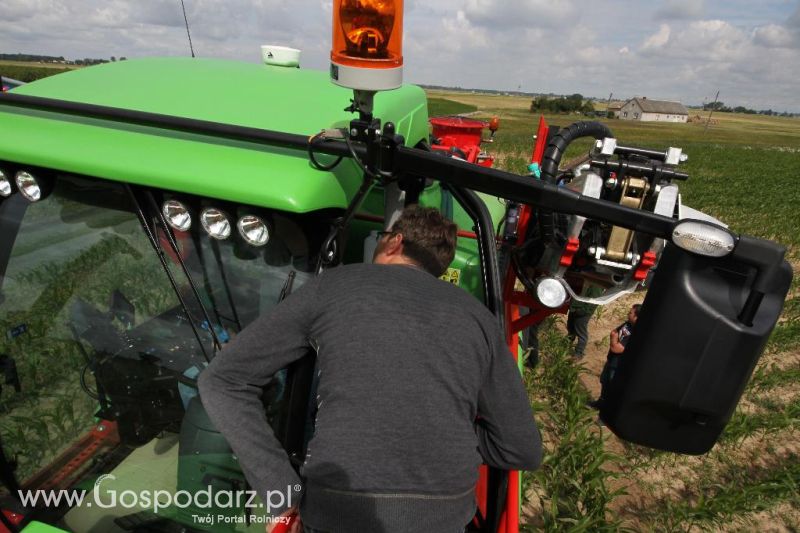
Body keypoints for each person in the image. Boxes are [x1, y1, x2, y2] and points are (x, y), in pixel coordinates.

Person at [198, 206, 542, 533]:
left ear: (394, 241)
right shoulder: (478, 318)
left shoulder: (335, 285)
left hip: (338, 513)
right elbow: (521, 449)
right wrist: (451, 431)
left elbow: (223, 380)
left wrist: (281, 495)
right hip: (444, 519)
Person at [590, 303, 640, 409]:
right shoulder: (628, 324)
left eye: (631, 312)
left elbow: (616, 348)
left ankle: (606, 415)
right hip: (612, 360)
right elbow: (614, 332)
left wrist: (614, 338)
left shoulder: (637, 332)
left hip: (619, 366)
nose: (628, 313)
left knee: (613, 390)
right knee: (604, 381)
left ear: (636, 316)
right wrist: (615, 338)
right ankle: (601, 403)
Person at [566, 284, 601, 359]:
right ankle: (566, 345)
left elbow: (594, 301)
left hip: (583, 313)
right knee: (571, 328)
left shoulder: (597, 285)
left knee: (581, 333)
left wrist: (583, 311)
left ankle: (578, 353)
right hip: (574, 309)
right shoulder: (587, 279)